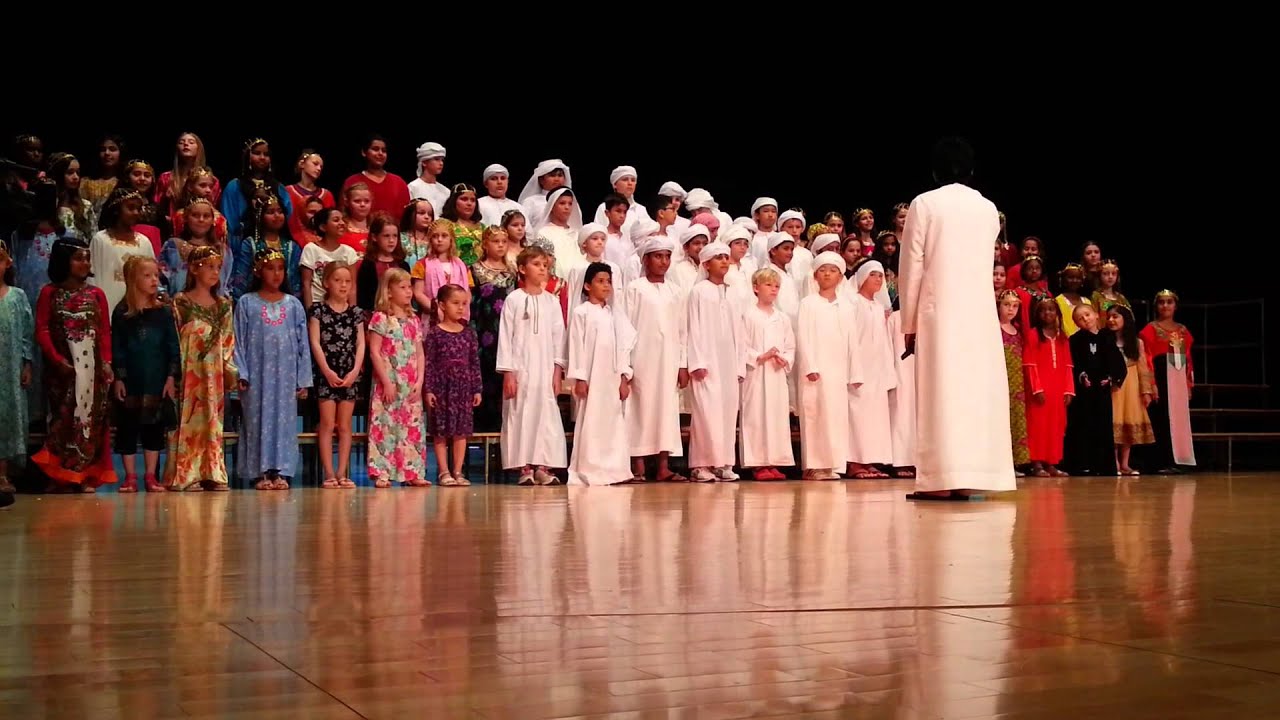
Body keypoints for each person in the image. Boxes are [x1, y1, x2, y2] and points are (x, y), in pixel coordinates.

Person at [898, 137, 1016, 499]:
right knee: (975, 391)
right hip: (979, 313)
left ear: (936, 171)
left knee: (941, 391)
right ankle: (975, 476)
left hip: (941, 311)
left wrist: (909, 323)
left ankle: (939, 480)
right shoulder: (988, 208)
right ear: (971, 170)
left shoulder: (925, 204)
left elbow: (911, 265)